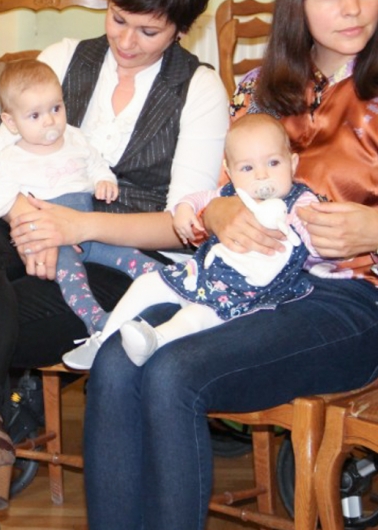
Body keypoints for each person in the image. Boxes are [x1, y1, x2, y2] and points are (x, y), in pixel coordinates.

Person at [84, 0, 378, 530]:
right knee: (117, 361)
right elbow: (207, 205)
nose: (353, 7)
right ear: (296, 3)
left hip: (347, 309)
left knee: (172, 374)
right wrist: (220, 211)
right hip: (239, 291)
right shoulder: (259, 91)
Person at [0, 0, 225, 530]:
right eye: (118, 19)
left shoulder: (199, 90)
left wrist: (75, 227)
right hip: (32, 228)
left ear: (180, 28)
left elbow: (185, 225)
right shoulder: (63, 58)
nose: (126, 41)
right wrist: (31, 218)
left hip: (126, 264)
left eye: (149, 31)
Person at [64, 113, 321, 370]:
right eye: (247, 168)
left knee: (194, 317)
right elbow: (198, 198)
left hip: (243, 293)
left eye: (273, 163)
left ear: (293, 163)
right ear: (230, 172)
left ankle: (154, 340)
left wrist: (315, 241)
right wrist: (185, 209)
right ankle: (104, 337)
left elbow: (316, 241)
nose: (262, 175)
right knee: (146, 283)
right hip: (201, 274)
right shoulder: (230, 194)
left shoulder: (300, 203)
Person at [0, 59, 118, 333]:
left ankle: (171, 285)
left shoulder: (74, 137)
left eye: (56, 108)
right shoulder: (11, 158)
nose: (50, 121)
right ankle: (97, 321)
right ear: (11, 122)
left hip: (88, 225)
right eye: (35, 116)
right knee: (71, 275)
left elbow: (95, 164)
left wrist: (104, 180)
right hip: (48, 231)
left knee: (129, 256)